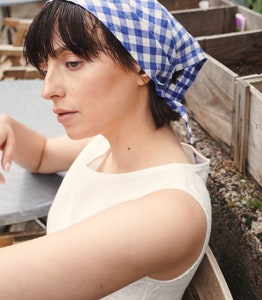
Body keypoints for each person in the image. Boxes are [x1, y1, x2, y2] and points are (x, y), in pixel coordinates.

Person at [0, 0, 211, 298]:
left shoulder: (169, 211)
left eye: (72, 63)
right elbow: (43, 154)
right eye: (46, 69)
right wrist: (7, 125)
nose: (47, 90)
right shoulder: (106, 143)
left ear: (141, 65)